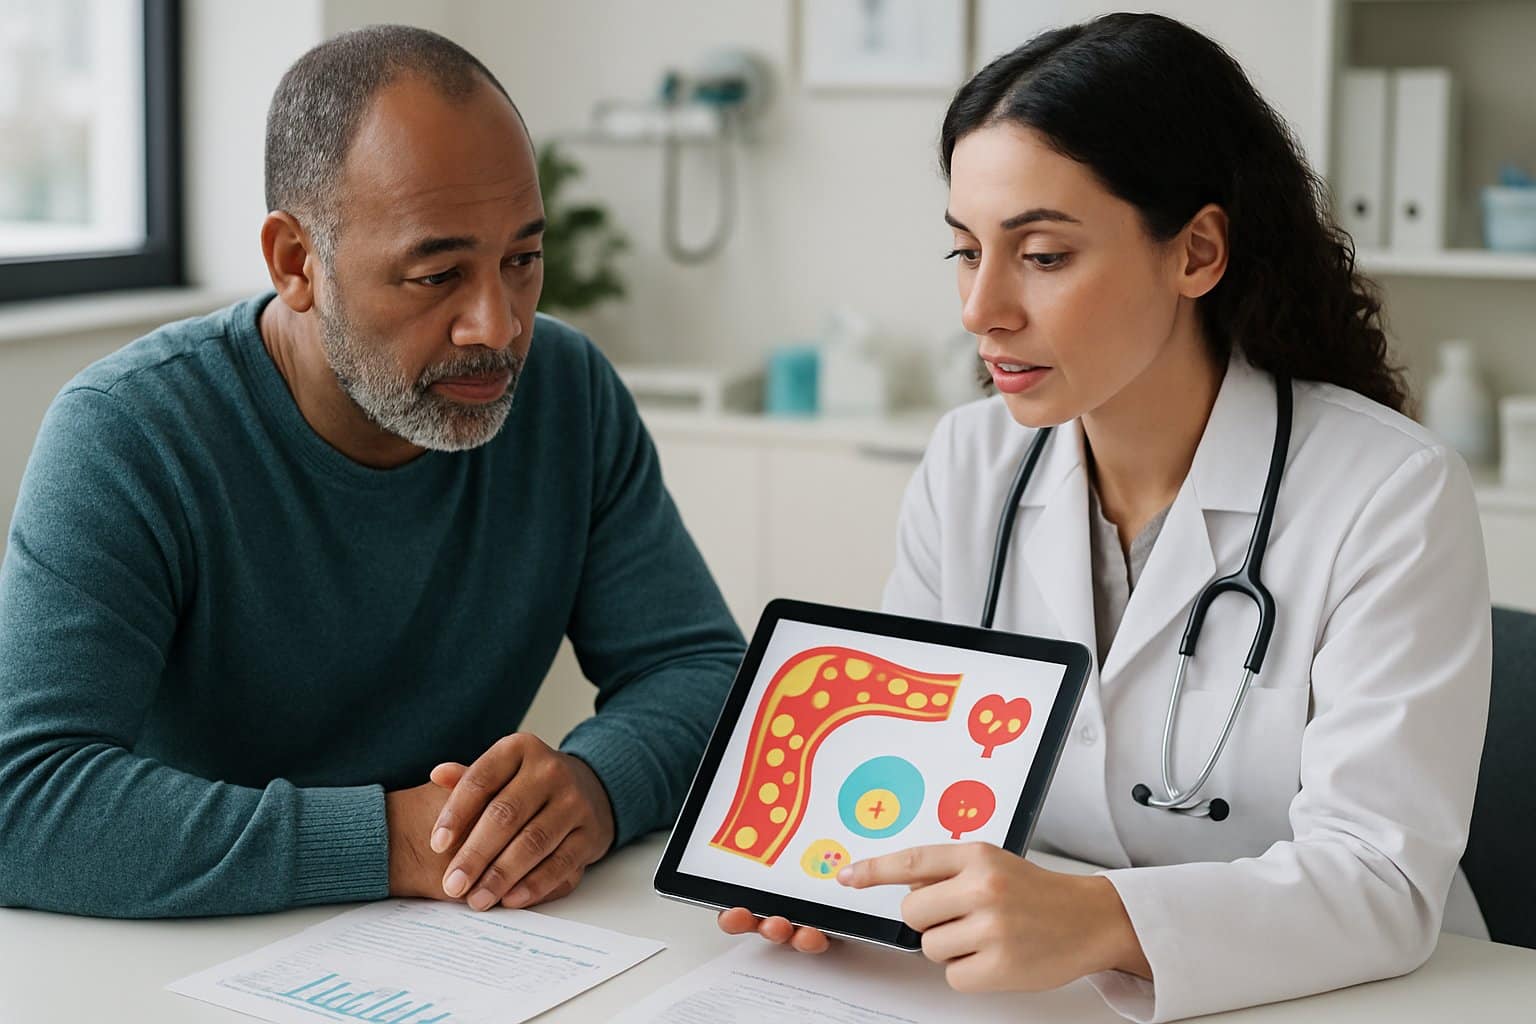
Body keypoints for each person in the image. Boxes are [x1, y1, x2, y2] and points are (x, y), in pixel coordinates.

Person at [720, 13, 1491, 1022]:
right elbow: (916, 772)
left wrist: (1097, 918)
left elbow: (1380, 883)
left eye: (1041, 255)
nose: (980, 308)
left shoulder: (1389, 491)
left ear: (1198, 251)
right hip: (1047, 997)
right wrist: (835, 871)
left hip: (1354, 996)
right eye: (964, 251)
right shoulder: (969, 462)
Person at [0, 26, 744, 919]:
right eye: (438, 276)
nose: (498, 327)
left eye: (522, 260)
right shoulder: (130, 433)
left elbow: (705, 672)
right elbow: (25, 796)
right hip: (182, 958)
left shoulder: (569, 393)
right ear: (295, 263)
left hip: (469, 949)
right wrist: (390, 839)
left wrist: (594, 784)